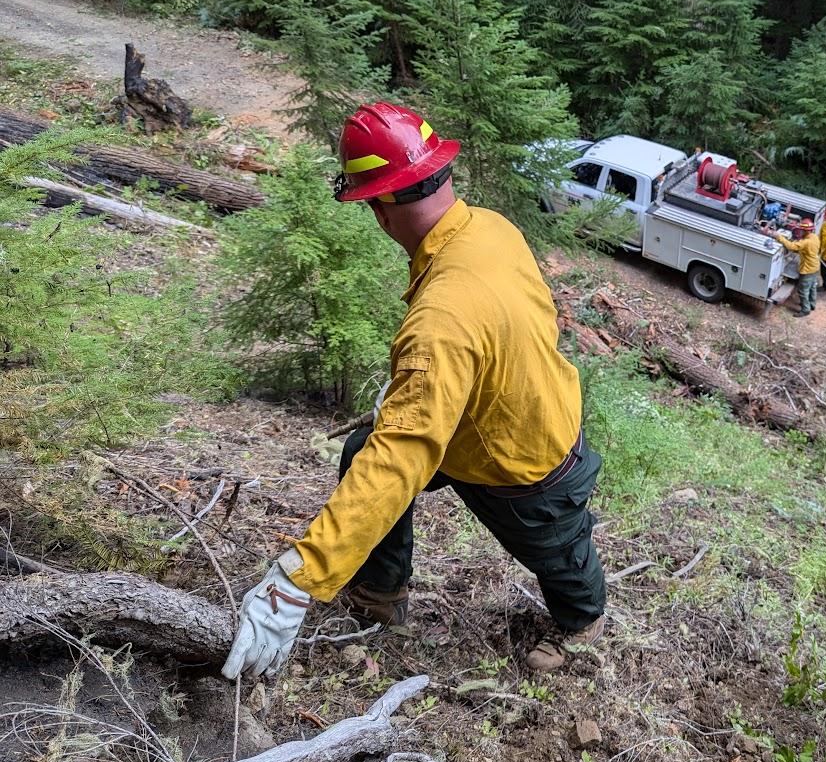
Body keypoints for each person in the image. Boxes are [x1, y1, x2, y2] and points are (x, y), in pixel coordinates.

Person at [222, 102, 606, 682]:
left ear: (381, 204)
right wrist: (442, 387)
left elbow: (405, 453)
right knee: (361, 453)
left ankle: (582, 624)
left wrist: (297, 580)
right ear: (439, 173)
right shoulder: (489, 227)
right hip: (470, 425)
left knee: (562, 559)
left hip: (523, 456)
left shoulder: (443, 317)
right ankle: (380, 593)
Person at [775, 217, 821, 318]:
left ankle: (805, 309)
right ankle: (812, 304)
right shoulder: (814, 237)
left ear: (805, 230)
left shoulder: (806, 242)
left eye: (801, 230)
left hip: (807, 269)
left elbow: (791, 246)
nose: (800, 232)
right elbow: (802, 248)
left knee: (803, 290)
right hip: (815, 267)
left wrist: (779, 237)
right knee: (812, 287)